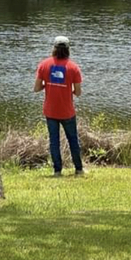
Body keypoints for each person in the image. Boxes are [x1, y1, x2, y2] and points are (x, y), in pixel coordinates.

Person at [34, 36, 84, 177]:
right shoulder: (74, 67)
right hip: (67, 112)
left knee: (54, 141)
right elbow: (78, 92)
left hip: (50, 111)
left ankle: (57, 171)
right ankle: (79, 169)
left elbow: (36, 88)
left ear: (54, 48)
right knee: (73, 140)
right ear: (68, 49)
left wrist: (48, 85)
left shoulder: (44, 65)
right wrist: (67, 89)